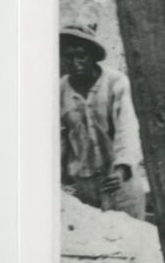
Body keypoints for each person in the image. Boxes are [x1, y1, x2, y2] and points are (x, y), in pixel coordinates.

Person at [59, 24, 147, 220]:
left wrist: (122, 168)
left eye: (81, 55)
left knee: (130, 240)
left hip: (119, 180)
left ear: (92, 56)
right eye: (68, 56)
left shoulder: (115, 82)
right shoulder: (60, 90)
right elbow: (61, 136)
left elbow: (127, 127)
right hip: (84, 186)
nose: (75, 63)